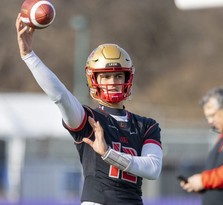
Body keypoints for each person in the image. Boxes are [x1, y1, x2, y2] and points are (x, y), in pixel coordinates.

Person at [16, 14, 162, 205]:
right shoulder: (89, 119)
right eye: (106, 77)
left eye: (119, 76)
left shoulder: (146, 125)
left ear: (128, 79)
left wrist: (109, 154)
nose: (113, 82)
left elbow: (153, 169)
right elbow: (60, 96)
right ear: (94, 80)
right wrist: (30, 57)